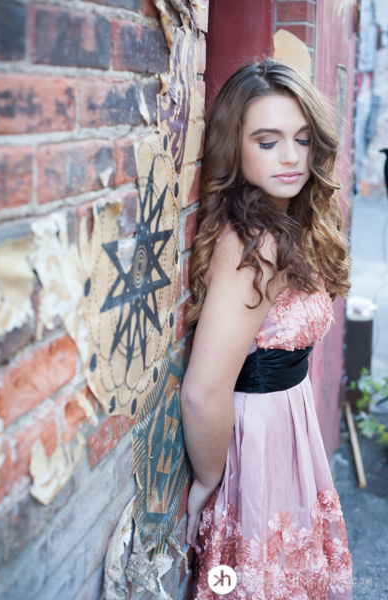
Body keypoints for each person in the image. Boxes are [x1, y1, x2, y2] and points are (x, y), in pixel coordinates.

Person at [180, 59, 353, 599]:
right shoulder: (253, 242)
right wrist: (210, 481)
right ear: (236, 145)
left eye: (302, 139)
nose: (292, 157)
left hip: (288, 430)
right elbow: (204, 391)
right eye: (267, 140)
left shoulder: (287, 222)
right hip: (254, 445)